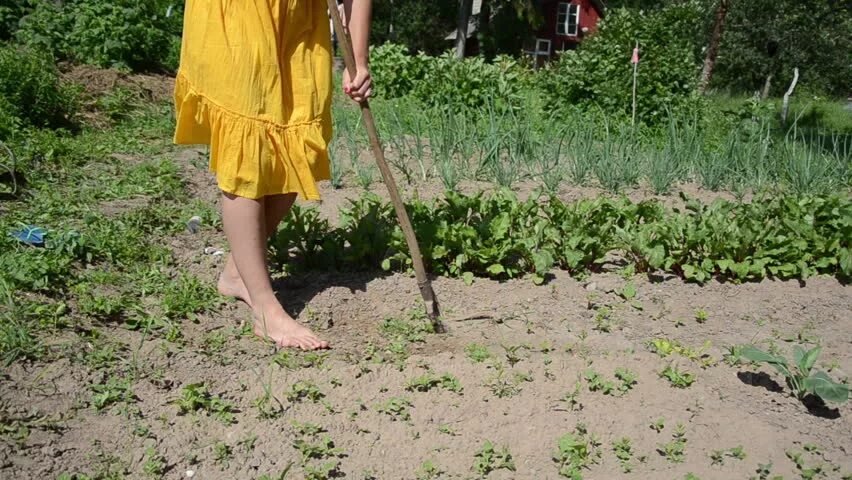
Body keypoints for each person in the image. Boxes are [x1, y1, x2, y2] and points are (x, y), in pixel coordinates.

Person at [173, 0, 373, 350]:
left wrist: (358, 60)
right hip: (240, 16)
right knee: (247, 155)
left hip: (299, 22)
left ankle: (237, 273)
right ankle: (265, 309)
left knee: (297, 149)